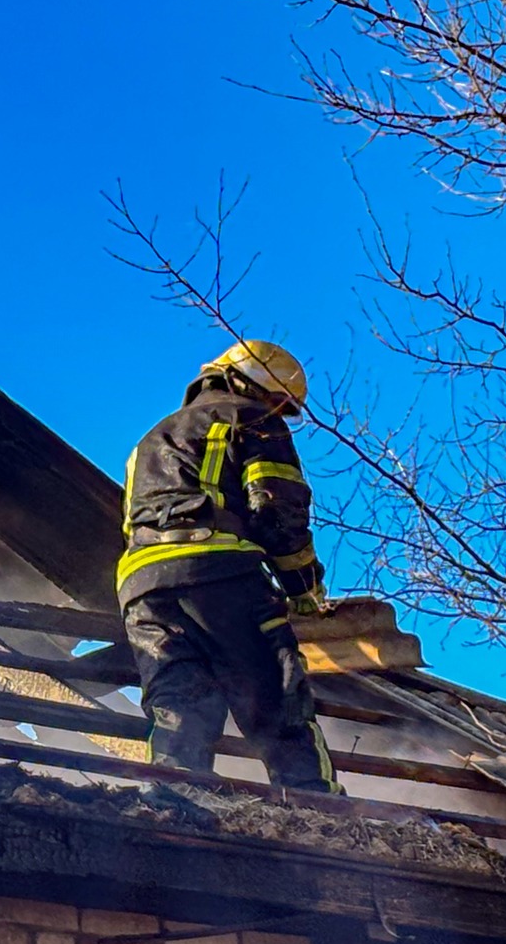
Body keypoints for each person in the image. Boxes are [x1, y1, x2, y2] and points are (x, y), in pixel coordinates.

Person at [116, 339, 341, 793]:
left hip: (142, 586)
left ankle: (174, 797)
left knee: (178, 701)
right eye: (279, 401)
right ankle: (317, 807)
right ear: (253, 384)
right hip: (219, 572)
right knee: (276, 699)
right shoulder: (253, 419)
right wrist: (305, 589)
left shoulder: (148, 441)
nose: (278, 410)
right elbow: (277, 512)